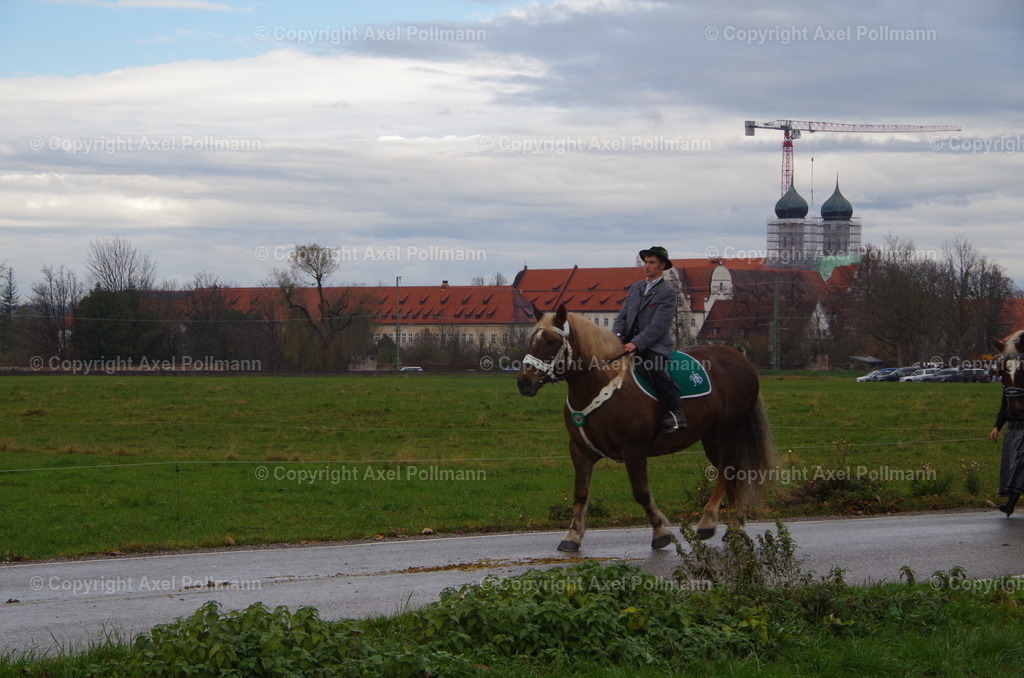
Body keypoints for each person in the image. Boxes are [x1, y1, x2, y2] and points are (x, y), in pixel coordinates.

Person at [613, 246, 685, 431]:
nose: (647, 266)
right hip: (626, 342)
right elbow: (622, 317)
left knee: (653, 369)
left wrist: (636, 344)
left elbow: (658, 326)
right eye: (645, 262)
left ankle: (675, 412)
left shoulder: (667, 292)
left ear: (662, 265)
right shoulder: (636, 287)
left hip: (654, 345)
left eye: (651, 262)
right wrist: (614, 339)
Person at [989, 390, 1024, 516]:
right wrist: (997, 426)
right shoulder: (1010, 384)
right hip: (1012, 428)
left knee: (1019, 465)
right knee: (1011, 465)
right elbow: (1005, 406)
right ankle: (1011, 503)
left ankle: (1011, 504)